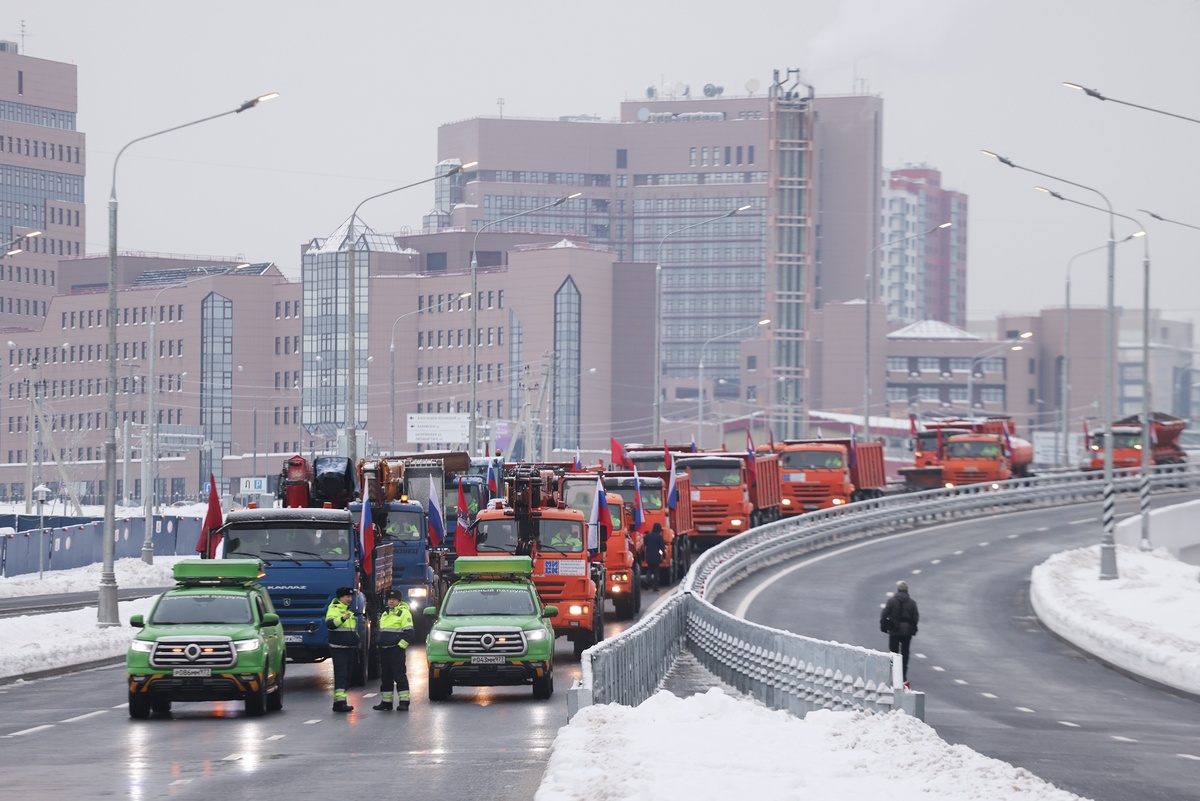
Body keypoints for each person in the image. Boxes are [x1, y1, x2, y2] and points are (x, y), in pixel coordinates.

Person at [373, 590, 415, 711]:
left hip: (396, 651)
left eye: (394, 599)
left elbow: (409, 633)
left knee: (399, 675)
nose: (391, 601)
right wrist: (379, 643)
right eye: (389, 599)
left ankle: (404, 702)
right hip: (384, 650)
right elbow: (381, 631)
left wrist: (400, 647)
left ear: (399, 600)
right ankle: (386, 702)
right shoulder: (385, 613)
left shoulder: (404, 613)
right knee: (385, 677)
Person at [325, 587, 359, 712]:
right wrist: (342, 618)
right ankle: (340, 703)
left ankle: (338, 702)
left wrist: (356, 639)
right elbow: (330, 624)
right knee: (341, 675)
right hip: (338, 648)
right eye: (347, 597)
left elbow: (351, 629)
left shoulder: (348, 610)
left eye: (351, 597)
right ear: (340, 597)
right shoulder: (334, 609)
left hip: (349, 648)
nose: (350, 599)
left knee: (348, 675)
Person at [879, 580, 919, 687]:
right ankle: (903, 674)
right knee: (905, 652)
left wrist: (884, 626)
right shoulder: (912, 603)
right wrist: (912, 627)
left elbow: (884, 614)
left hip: (894, 630)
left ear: (898, 590)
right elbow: (915, 617)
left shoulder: (891, 601)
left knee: (893, 652)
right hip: (907, 631)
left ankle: (893, 673)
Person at [642, 523, 665, 592]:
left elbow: (644, 544)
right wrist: (662, 555)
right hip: (656, 557)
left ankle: (646, 581)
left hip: (648, 556)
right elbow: (662, 548)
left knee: (649, 570)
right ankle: (655, 587)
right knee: (656, 573)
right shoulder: (659, 537)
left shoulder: (648, 536)